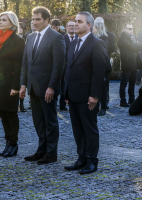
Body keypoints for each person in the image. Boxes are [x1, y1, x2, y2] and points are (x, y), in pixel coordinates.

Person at [64, 12, 108, 174]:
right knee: (77, 129)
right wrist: (66, 93)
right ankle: (81, 158)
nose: (75, 24)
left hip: (88, 96)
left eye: (79, 21)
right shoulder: (73, 42)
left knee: (89, 128)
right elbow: (68, 69)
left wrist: (95, 95)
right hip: (73, 94)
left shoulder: (97, 43)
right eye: (75, 21)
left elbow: (99, 72)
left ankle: (92, 161)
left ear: (89, 25)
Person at [20, 7, 65, 164]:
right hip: (33, 87)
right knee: (38, 121)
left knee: (50, 121)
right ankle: (41, 151)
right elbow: (25, 63)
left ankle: (51, 154)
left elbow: (58, 65)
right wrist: (23, 84)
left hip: (48, 89)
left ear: (47, 20)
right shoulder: (30, 37)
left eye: (38, 19)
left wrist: (52, 86)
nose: (34, 22)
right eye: (33, 19)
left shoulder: (56, 38)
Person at [0, 11, 25, 157]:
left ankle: (13, 144)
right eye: (0, 19)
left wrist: (16, 87)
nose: (0, 22)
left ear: (12, 23)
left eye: (4, 20)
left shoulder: (18, 41)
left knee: (11, 113)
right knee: (2, 113)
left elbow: (19, 65)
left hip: (10, 83)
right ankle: (7, 143)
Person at [118, 23, 142, 107]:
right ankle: (123, 100)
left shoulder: (133, 37)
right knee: (124, 83)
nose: (131, 30)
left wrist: (135, 46)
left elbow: (137, 46)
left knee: (132, 82)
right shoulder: (122, 38)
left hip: (134, 63)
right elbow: (131, 46)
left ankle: (131, 99)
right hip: (127, 63)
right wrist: (136, 46)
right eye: (129, 28)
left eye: (132, 28)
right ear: (124, 29)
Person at [61, 21, 77, 111]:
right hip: (65, 66)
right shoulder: (62, 38)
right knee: (63, 85)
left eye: (73, 26)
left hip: (75, 67)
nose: (72, 27)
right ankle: (62, 104)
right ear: (66, 27)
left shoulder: (79, 38)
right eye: (70, 26)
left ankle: (73, 102)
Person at [17, 22, 28, 112]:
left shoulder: (26, 38)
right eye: (18, 27)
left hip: (22, 64)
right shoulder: (14, 38)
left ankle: (22, 104)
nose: (19, 29)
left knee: (22, 84)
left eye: (21, 28)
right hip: (15, 64)